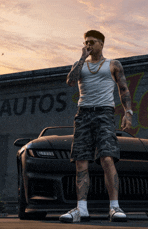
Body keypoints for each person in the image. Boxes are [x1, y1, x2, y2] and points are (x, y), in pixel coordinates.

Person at [59, 30, 133, 223]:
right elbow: (70, 81)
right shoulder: (80, 65)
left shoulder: (113, 64)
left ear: (101, 43)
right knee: (81, 161)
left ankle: (114, 207)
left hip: (104, 113)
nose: (88, 45)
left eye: (92, 42)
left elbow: (123, 89)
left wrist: (128, 112)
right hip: (83, 114)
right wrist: (82, 57)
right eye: (85, 42)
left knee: (107, 159)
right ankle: (81, 209)